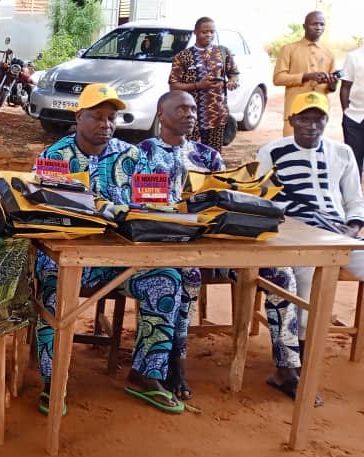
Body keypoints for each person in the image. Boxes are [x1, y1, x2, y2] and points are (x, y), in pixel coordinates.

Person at [137, 90, 302, 401]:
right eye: (181, 108)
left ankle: (286, 365)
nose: (189, 114)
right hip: (169, 245)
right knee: (187, 276)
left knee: (282, 274)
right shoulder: (141, 153)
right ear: (161, 114)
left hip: (219, 243)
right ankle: (176, 362)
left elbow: (228, 200)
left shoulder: (208, 156)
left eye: (192, 109)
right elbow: (139, 207)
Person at [35, 84, 186, 414]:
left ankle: (146, 373)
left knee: (166, 279)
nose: (105, 123)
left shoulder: (133, 156)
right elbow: (45, 212)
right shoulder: (54, 158)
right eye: (96, 116)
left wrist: (158, 209)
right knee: (52, 284)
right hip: (67, 258)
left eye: (111, 117)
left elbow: (156, 203)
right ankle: (52, 379)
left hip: (122, 260)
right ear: (78, 117)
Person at [257, 92, 364, 378]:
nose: (311, 125)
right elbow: (265, 200)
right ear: (291, 120)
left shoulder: (342, 152)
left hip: (342, 235)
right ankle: (296, 359)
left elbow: (355, 200)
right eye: (304, 118)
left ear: (327, 121)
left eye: (318, 119)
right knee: (304, 275)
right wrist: (306, 226)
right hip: (298, 235)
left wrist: (352, 229)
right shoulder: (272, 151)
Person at [168, 17, 240, 152]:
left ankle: (211, 174)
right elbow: (173, 85)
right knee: (188, 154)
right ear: (195, 32)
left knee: (213, 156)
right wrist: (198, 86)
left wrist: (232, 81)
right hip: (189, 117)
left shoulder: (223, 53)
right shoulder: (183, 56)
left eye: (212, 32)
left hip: (216, 115)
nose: (209, 35)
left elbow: (234, 74)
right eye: (204, 32)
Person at [273, 11, 337, 137]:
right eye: (314, 24)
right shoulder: (289, 49)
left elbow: (332, 88)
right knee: (291, 150)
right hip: (295, 112)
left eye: (322, 24)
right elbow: (278, 78)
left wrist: (332, 84)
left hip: (319, 112)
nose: (318, 27)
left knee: (315, 151)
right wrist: (306, 76)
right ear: (304, 26)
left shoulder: (329, 53)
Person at [340, 44, 364, 174]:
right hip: (355, 117)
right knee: (354, 161)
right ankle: (355, 193)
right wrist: (346, 111)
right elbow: (345, 86)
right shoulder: (354, 57)